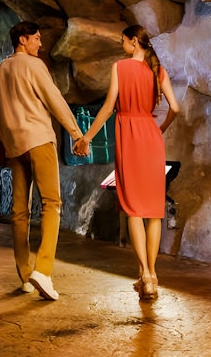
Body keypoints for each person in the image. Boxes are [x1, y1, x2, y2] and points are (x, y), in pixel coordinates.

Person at [74, 24, 180, 301]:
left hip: (130, 137)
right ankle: (152, 276)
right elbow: (176, 108)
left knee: (133, 209)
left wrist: (86, 137)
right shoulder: (158, 70)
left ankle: (144, 273)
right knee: (154, 211)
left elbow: (109, 108)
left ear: (134, 42)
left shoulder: (120, 68)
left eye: (123, 41)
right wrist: (160, 129)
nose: (121, 45)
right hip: (151, 138)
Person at [0, 20, 84, 301]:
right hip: (39, 139)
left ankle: (25, 274)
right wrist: (76, 134)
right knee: (52, 204)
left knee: (19, 212)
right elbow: (55, 100)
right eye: (37, 39)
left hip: (15, 146)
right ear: (23, 40)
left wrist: (6, 139)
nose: (40, 44)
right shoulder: (34, 66)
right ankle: (44, 270)